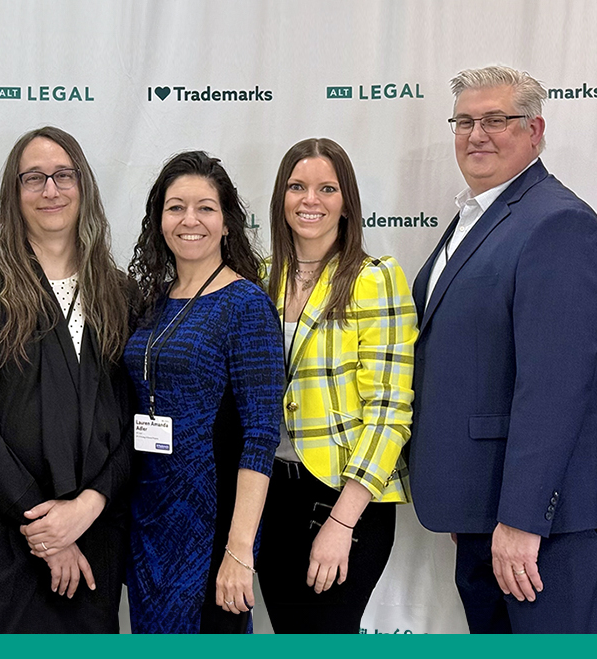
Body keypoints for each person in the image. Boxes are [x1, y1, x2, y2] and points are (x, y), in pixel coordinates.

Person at [409, 65, 597, 634]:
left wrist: (522, 520)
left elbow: (555, 388)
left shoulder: (557, 222)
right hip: (480, 510)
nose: (476, 134)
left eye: (495, 120)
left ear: (534, 130)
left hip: (539, 529)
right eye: (464, 121)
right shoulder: (478, 214)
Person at [0, 126, 132, 633]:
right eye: (33, 178)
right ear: (13, 193)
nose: (50, 190)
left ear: (83, 185)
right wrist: (45, 525)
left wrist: (87, 507)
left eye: (63, 175)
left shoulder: (119, 292)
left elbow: (135, 421)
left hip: (90, 535)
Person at [257, 138, 417, 633]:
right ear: (281, 198)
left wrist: (342, 522)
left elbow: (389, 410)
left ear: (346, 203)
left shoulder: (374, 278)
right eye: (297, 187)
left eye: (327, 188)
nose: (311, 200)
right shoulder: (260, 279)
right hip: (271, 495)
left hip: (344, 497)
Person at [125, 151, 283, 634]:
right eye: (175, 207)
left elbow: (261, 436)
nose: (189, 220)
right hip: (150, 523)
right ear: (159, 221)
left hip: (211, 529)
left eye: (205, 208)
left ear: (227, 223)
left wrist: (239, 550)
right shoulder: (152, 301)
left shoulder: (246, 304)